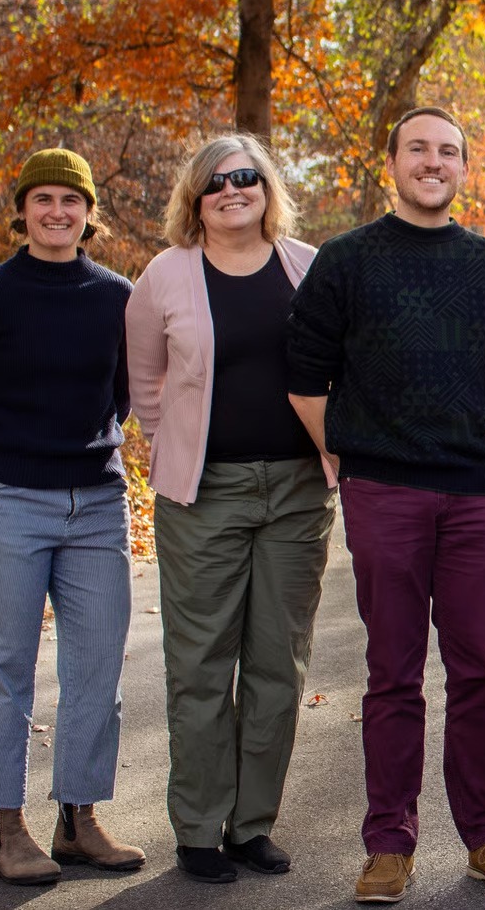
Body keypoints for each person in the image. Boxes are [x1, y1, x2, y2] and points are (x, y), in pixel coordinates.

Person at [286, 106, 485, 902]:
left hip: (472, 496)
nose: (434, 162)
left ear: (465, 168)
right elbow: (304, 373)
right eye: (419, 149)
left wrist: (452, 433)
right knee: (392, 674)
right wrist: (352, 451)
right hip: (383, 493)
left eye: (449, 152)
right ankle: (388, 844)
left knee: (478, 674)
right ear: (390, 163)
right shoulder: (346, 259)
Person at [0, 147, 146, 886]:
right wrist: (14, 441)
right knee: (3, 666)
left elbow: (122, 392)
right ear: (22, 210)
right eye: (43, 199)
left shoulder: (118, 296)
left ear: (88, 214)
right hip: (7, 501)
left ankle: (78, 821)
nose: (57, 213)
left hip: (97, 505)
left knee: (96, 667)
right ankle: (5, 828)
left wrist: (80, 444)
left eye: (70, 201)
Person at [126, 134, 337, 883]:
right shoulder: (164, 277)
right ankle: (198, 828)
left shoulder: (307, 267)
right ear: (195, 198)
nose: (232, 190)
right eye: (215, 183)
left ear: (266, 188)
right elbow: (145, 383)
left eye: (246, 177)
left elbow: (336, 364)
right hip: (203, 495)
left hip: (296, 494)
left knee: (279, 666)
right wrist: (177, 445)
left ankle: (251, 825)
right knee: (202, 666)